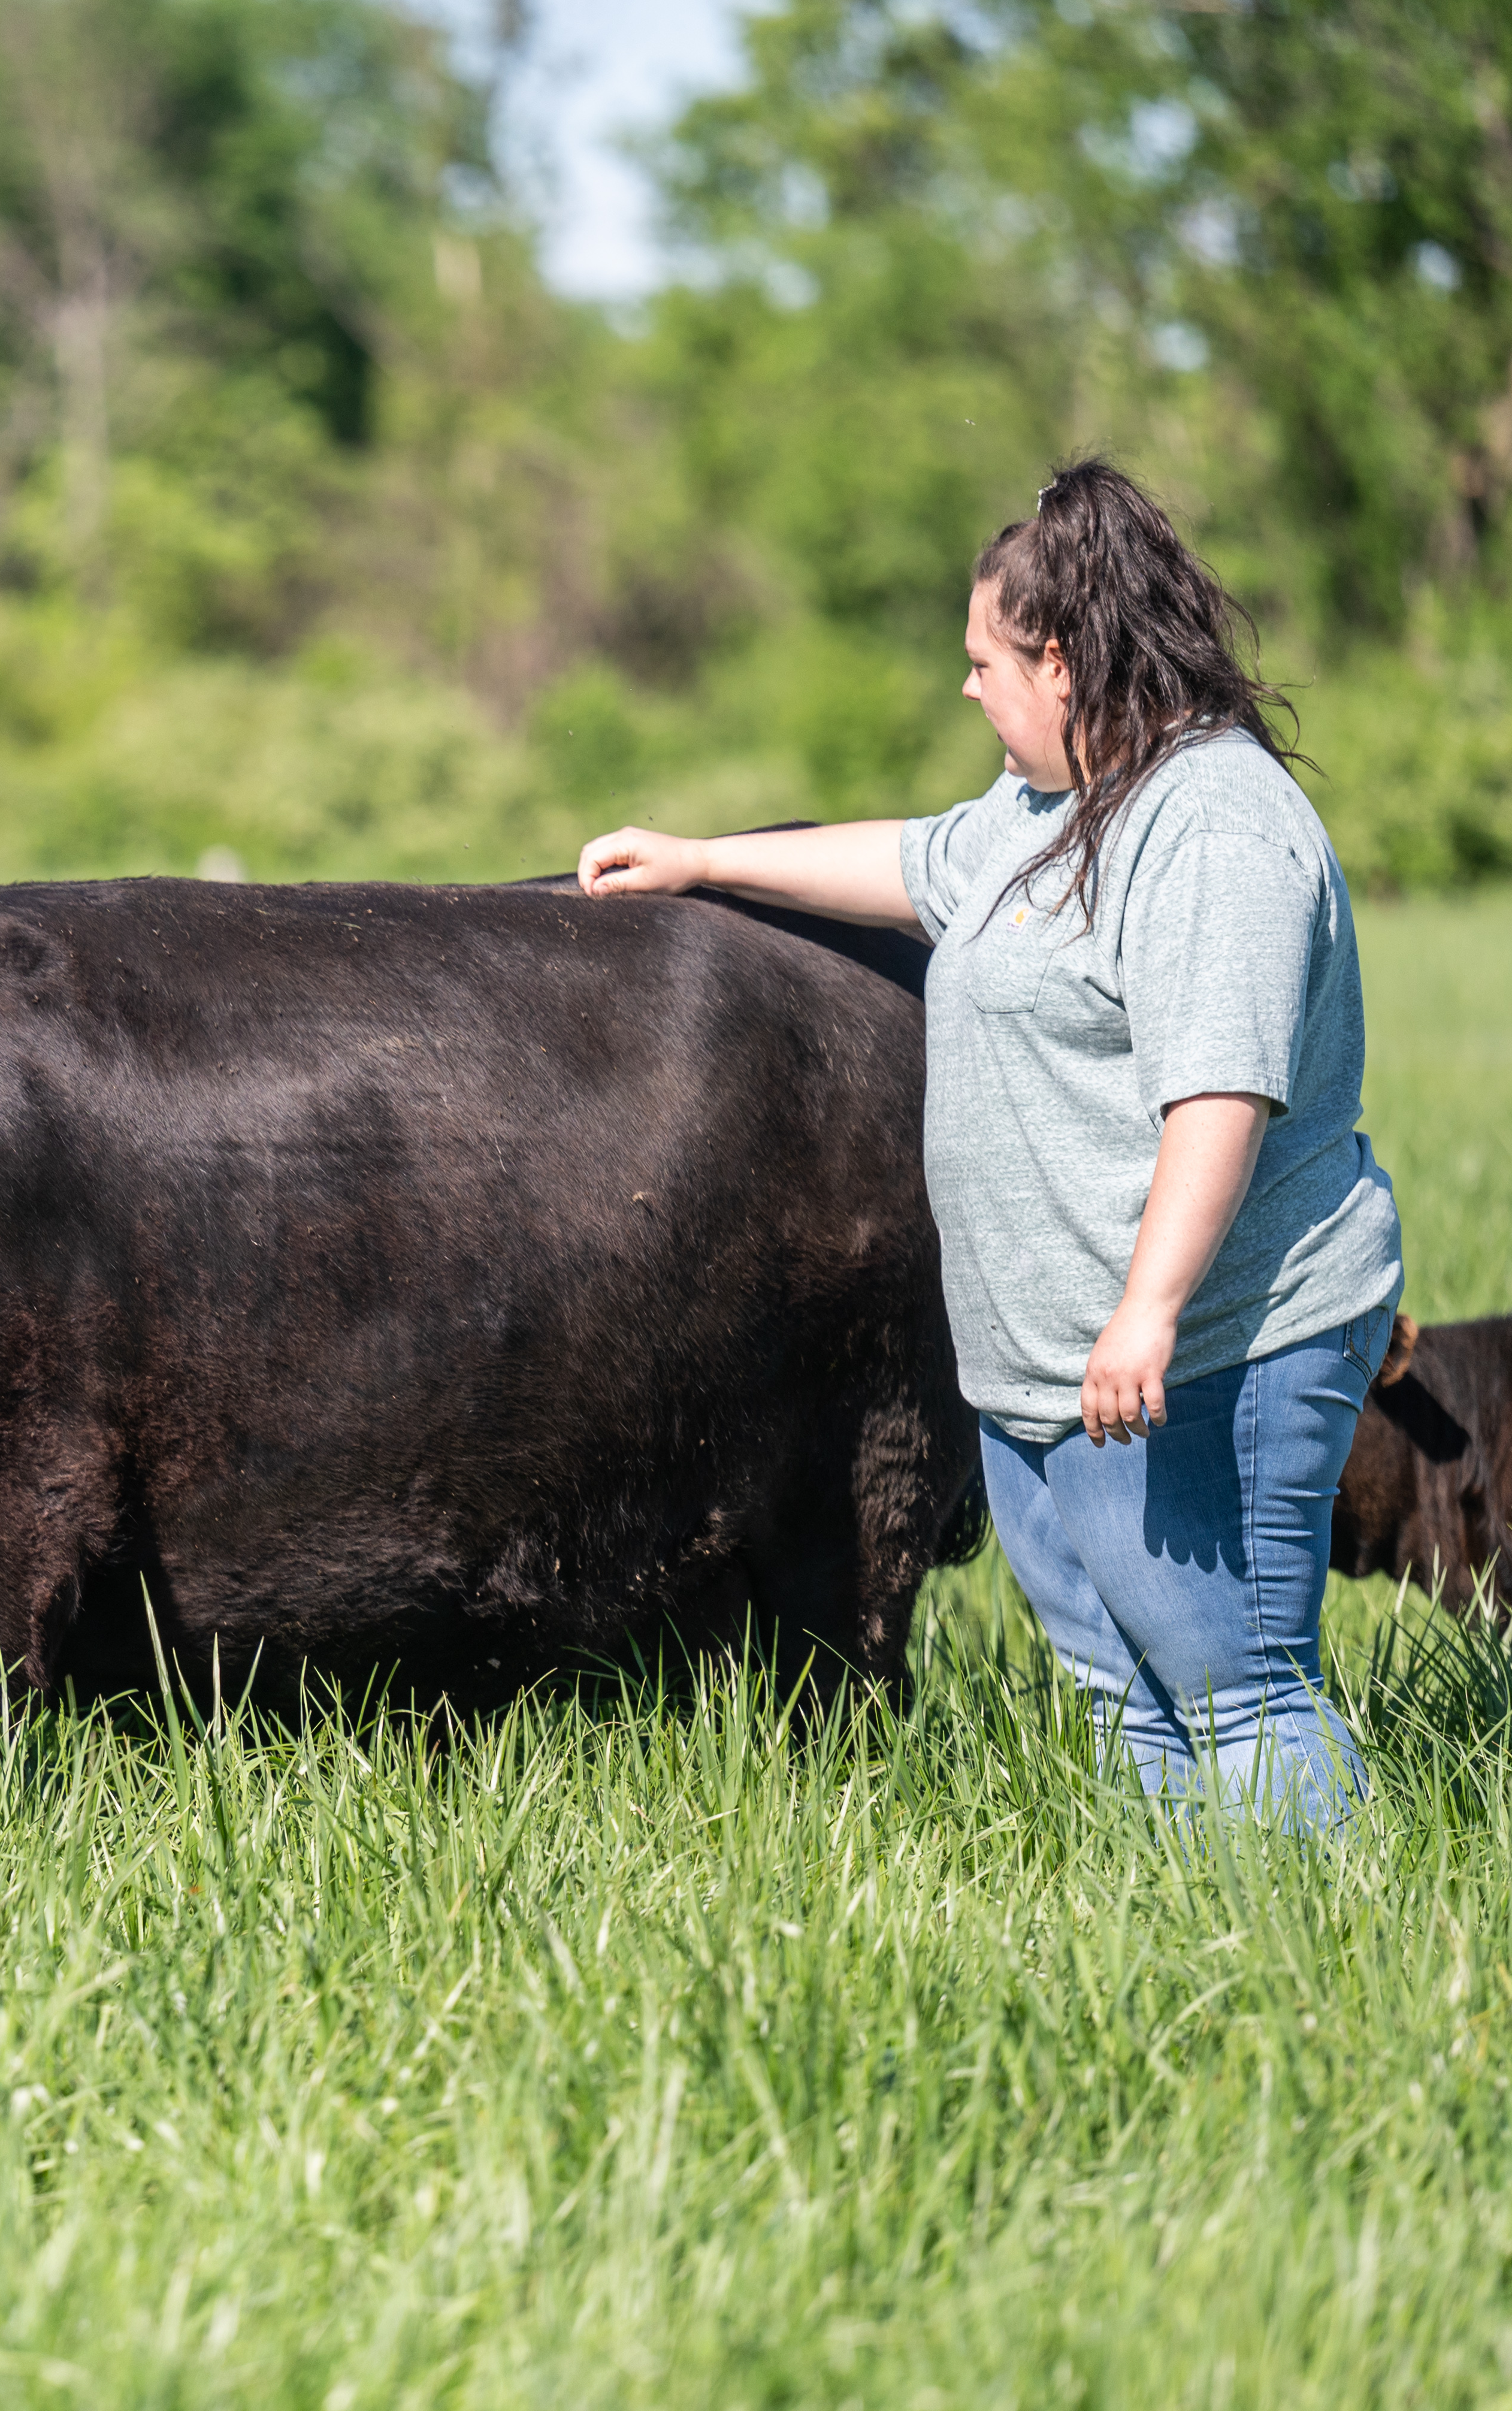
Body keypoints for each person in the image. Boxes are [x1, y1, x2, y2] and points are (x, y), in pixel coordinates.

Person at [575, 461, 1402, 1832]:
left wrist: (1146, 1312)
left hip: (1204, 1350)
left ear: (1065, 664)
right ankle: (1203, 1957)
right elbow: (913, 863)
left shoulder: (1212, 827)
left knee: (1232, 1686)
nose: (967, 688)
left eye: (982, 660)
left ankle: (1337, 1975)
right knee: (1123, 1687)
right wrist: (702, 859)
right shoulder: (1048, 807)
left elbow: (1221, 1097)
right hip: (1047, 1360)